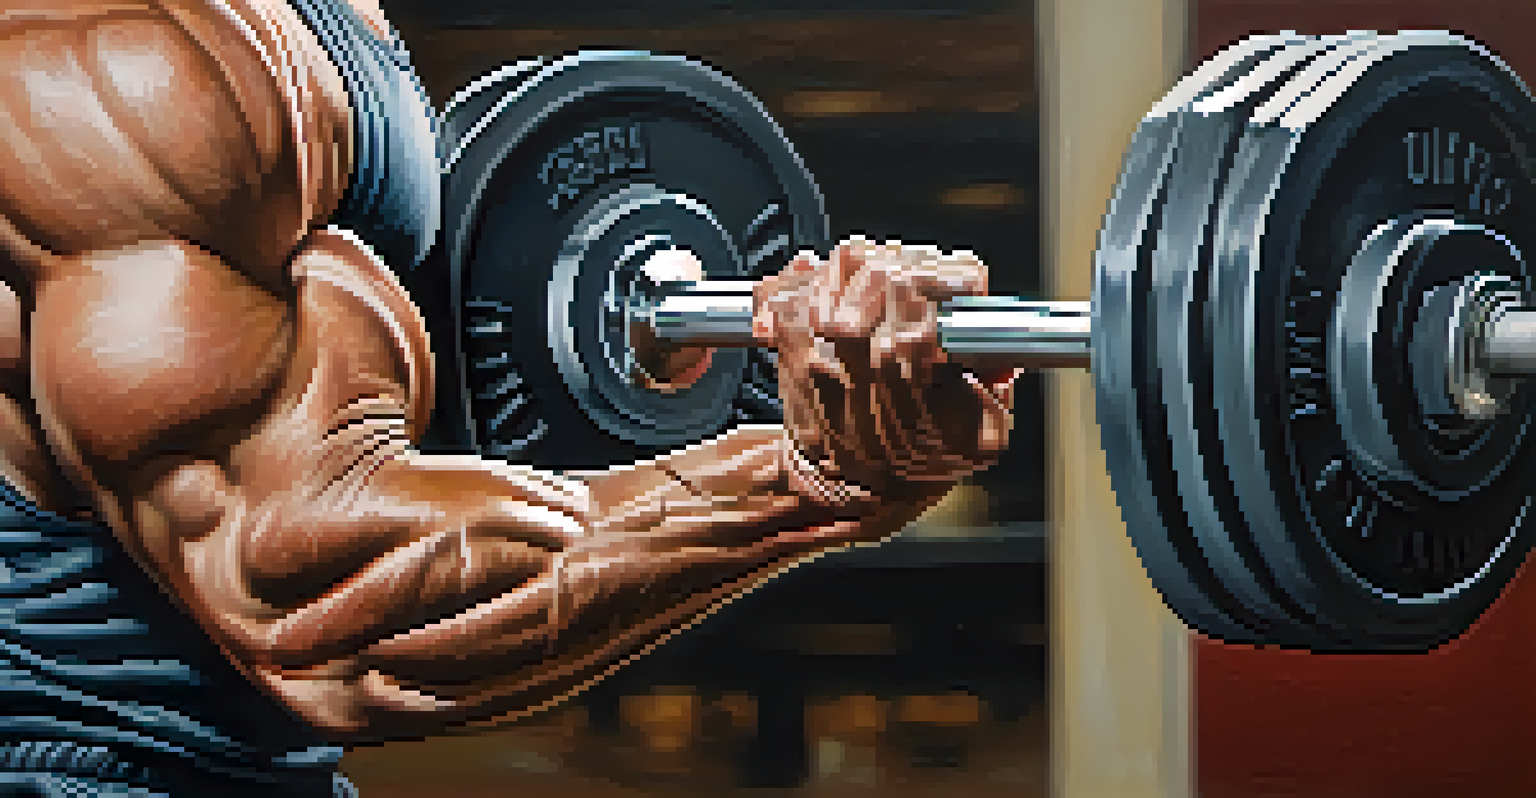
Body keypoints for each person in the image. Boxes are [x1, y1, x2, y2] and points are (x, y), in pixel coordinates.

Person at [0, 0, 1022, 794]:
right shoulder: (120, 72)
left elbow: (329, 395)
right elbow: (318, 606)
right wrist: (808, 478)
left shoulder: (295, 43)